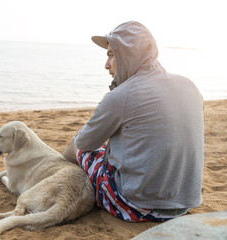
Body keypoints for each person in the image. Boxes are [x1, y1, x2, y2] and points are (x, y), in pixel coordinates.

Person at [63, 21, 204, 222]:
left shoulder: (122, 96)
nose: (106, 65)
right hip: (184, 205)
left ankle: (58, 166)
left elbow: (84, 144)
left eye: (112, 55)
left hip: (138, 206)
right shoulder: (190, 86)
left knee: (81, 145)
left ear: (128, 55)